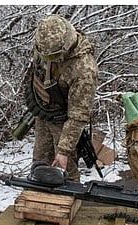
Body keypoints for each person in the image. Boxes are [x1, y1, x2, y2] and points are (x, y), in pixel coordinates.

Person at [24, 14, 98, 182]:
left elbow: (78, 116)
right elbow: (38, 71)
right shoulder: (45, 44)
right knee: (40, 163)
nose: (46, 59)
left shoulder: (84, 69)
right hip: (44, 113)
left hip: (65, 123)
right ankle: (39, 199)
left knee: (64, 170)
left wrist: (64, 151)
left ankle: (66, 203)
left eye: (51, 57)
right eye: (44, 55)